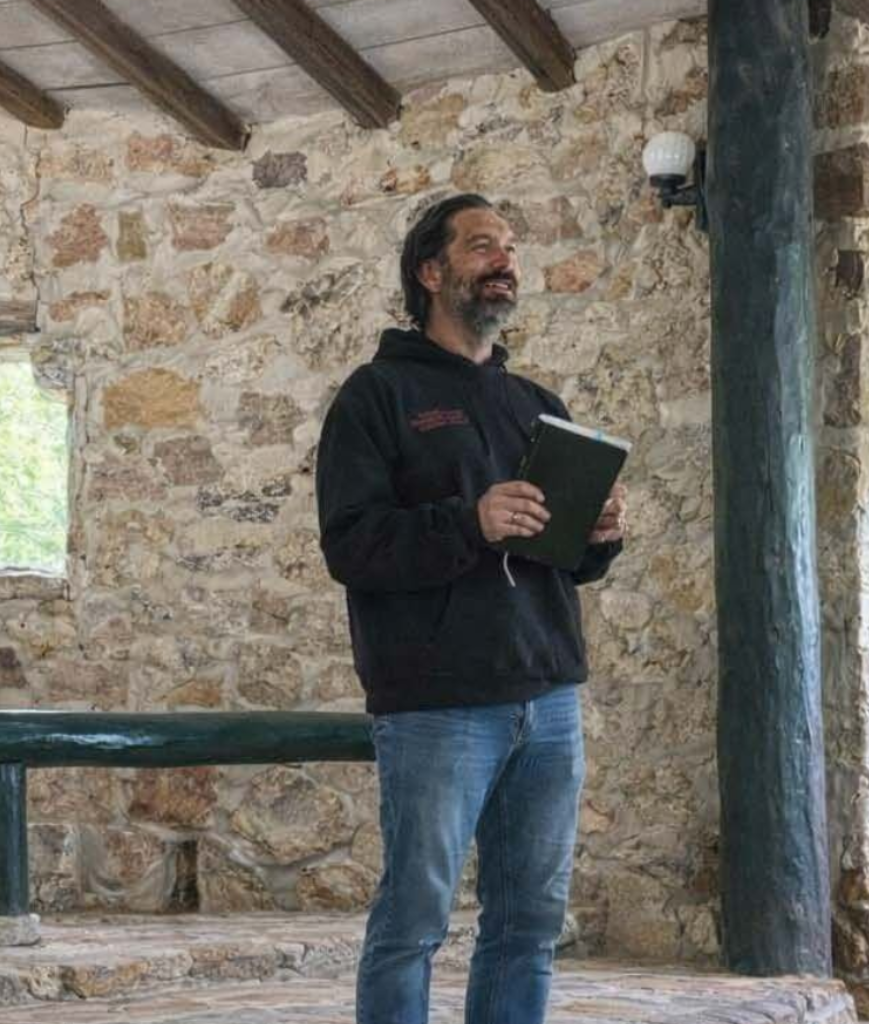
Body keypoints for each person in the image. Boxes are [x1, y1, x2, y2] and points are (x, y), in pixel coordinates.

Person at [315, 194, 627, 1024]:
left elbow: (561, 562)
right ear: (430, 271)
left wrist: (595, 535)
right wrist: (471, 520)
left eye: (511, 247)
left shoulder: (538, 401)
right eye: (482, 245)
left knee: (529, 923)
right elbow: (351, 545)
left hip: (548, 697)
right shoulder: (376, 396)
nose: (505, 260)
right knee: (414, 924)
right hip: (438, 706)